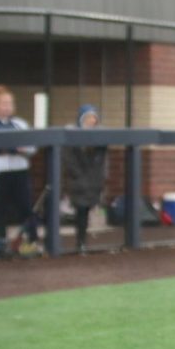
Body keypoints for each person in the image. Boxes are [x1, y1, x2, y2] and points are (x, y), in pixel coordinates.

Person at [0, 85, 40, 255]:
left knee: (26, 207)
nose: (7, 107)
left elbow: (31, 147)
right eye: (3, 103)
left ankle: (32, 241)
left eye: (10, 103)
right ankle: (0, 243)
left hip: (19, 170)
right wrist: (12, 148)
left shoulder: (19, 123)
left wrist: (13, 148)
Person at [62, 104, 107, 253]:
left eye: (94, 118)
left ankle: (82, 241)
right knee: (80, 210)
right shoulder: (72, 136)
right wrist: (78, 176)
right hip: (78, 181)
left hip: (93, 180)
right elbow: (69, 161)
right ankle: (80, 242)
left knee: (86, 211)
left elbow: (102, 162)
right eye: (88, 118)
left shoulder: (101, 139)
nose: (91, 121)